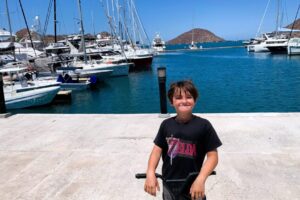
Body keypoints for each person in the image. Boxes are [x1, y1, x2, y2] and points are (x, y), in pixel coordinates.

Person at [144, 80, 222, 200]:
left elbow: (213, 157)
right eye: (179, 98)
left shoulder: (204, 125)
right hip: (169, 183)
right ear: (172, 102)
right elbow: (157, 150)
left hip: (194, 183)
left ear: (195, 100)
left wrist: (201, 179)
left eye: (189, 97)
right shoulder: (166, 125)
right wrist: (150, 172)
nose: (184, 101)